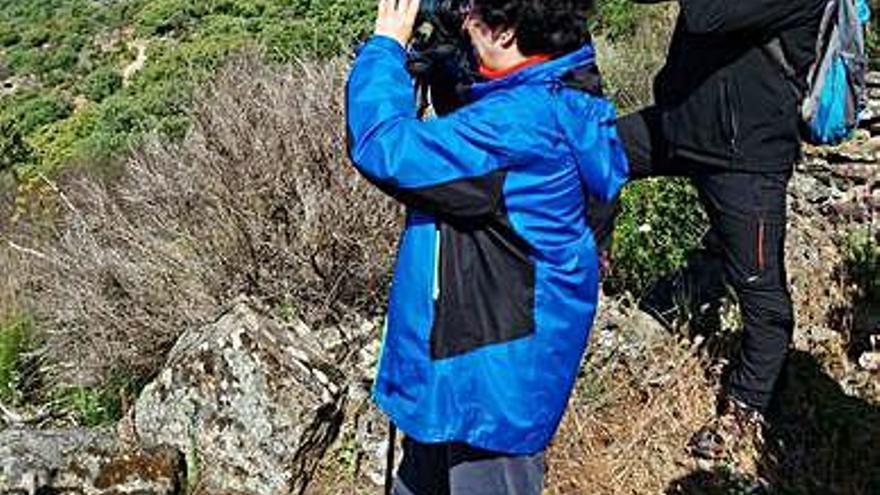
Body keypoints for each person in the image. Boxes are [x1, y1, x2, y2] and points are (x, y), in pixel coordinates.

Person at [345, 0, 628, 493]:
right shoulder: (554, 85)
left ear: (506, 33)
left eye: (474, 10)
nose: (464, 17)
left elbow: (383, 146)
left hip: (492, 379)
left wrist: (386, 46)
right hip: (470, 356)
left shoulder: (520, 125)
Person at [592, 0, 828, 460]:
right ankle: (593, 265)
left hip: (746, 155)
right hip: (680, 123)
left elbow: (707, 15)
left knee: (759, 289)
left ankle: (748, 407)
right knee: (593, 154)